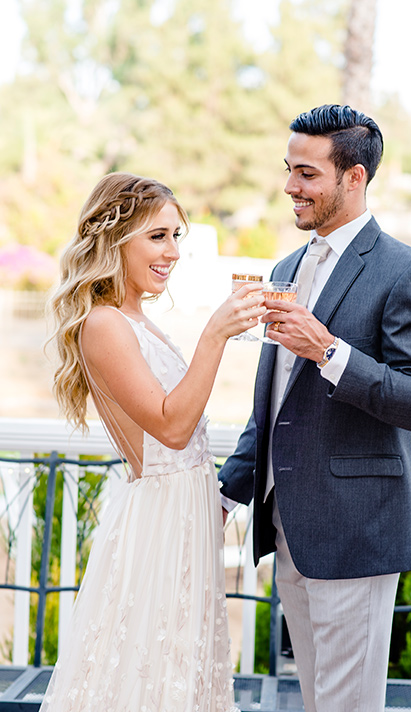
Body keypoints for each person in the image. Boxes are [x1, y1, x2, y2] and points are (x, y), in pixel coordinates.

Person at [219, 104, 411, 712]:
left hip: (355, 530)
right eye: (288, 170)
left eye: (307, 174)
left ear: (354, 177)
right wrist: (224, 495)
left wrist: (326, 349)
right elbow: (272, 408)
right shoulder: (285, 268)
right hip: (287, 526)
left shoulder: (410, 273)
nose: (290, 187)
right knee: (318, 699)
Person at [41, 171, 266, 712]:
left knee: (184, 675)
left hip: (189, 518)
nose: (172, 252)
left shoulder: (137, 319)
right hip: (160, 525)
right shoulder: (104, 324)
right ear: (114, 239)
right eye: (157, 236)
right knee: (149, 678)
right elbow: (170, 426)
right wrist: (216, 334)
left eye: (176, 237)